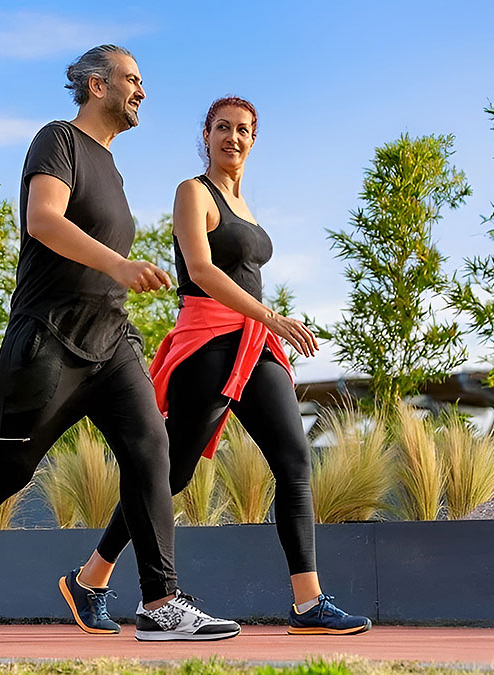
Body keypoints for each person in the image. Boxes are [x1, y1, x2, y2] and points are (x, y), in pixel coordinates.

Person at [0, 45, 240, 642]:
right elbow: (43, 221)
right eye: (133, 80)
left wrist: (120, 281)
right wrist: (121, 265)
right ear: (97, 85)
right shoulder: (59, 141)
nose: (142, 91)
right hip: (48, 340)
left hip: (111, 341)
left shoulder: (113, 167)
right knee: (11, 468)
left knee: (152, 449)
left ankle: (160, 601)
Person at [59, 96, 372, 636]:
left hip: (254, 346)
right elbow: (201, 270)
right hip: (208, 341)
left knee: (295, 459)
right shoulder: (192, 193)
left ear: (254, 139)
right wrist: (272, 317)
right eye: (223, 128)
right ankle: (90, 579)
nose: (233, 137)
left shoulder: (245, 205)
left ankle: (308, 604)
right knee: (172, 471)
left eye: (244, 130)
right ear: (205, 135)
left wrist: (265, 326)